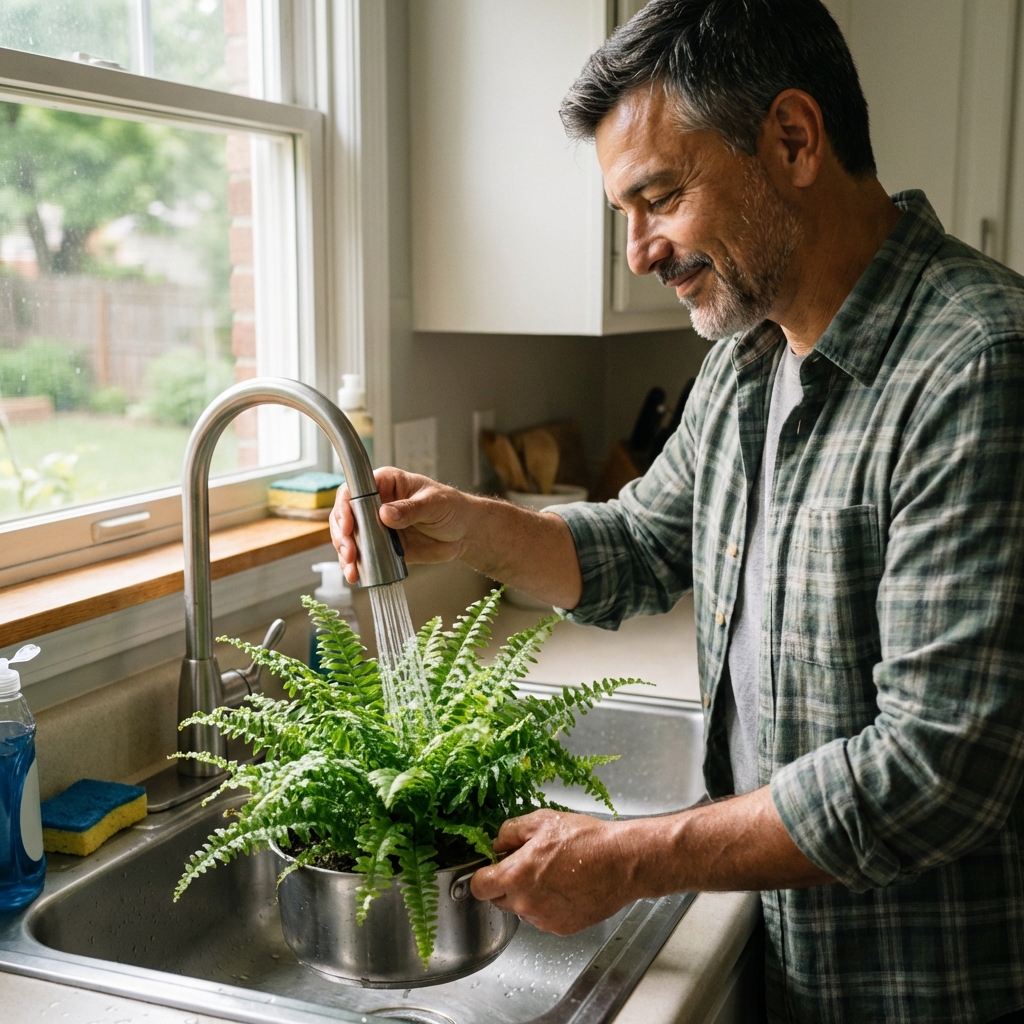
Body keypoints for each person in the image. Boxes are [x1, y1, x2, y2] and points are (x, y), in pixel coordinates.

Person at [330, 1, 1024, 1020]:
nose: (636, 251)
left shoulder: (976, 365)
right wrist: (469, 524)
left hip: (926, 986)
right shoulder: (748, 357)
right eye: (624, 213)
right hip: (794, 953)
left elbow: (935, 769)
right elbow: (643, 541)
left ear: (792, 140)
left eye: (657, 197)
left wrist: (631, 857)